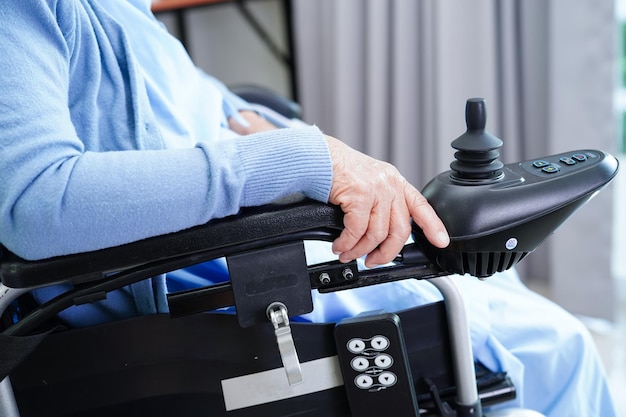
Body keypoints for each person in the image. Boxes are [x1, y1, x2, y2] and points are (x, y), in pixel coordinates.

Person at [0, 1, 617, 416]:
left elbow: (180, 93)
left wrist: (237, 116)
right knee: (555, 343)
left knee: (523, 310)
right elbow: (36, 202)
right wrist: (302, 157)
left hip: (252, 252)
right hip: (216, 288)